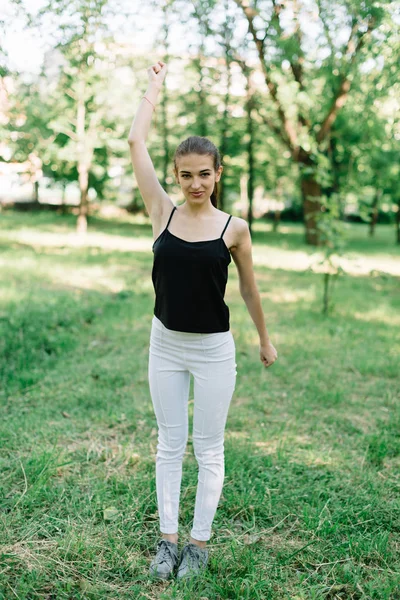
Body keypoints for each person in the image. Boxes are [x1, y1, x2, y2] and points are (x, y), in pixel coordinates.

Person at [128, 60, 278, 581]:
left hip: (214, 350)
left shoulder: (235, 228)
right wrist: (154, 88)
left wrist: (264, 338)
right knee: (170, 444)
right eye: (186, 174)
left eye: (204, 174)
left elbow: (249, 288)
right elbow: (134, 143)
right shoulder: (161, 212)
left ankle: (199, 543)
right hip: (165, 343)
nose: (195, 183)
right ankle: (167, 541)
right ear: (176, 175)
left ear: (218, 173)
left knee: (207, 447)